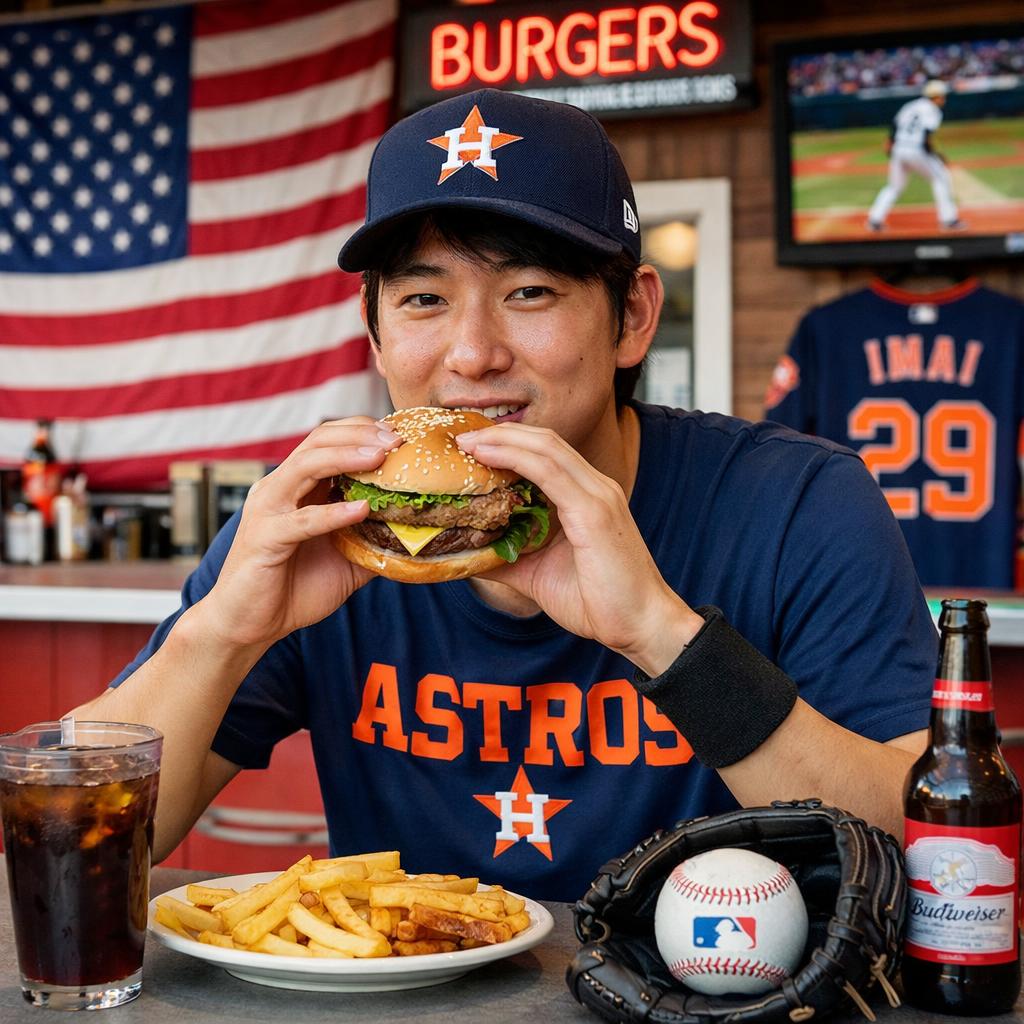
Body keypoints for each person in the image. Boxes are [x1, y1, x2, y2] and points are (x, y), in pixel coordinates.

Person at [71, 89, 936, 903]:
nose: (473, 354)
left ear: (632, 317)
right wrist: (220, 635)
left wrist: (664, 638)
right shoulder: (316, 517)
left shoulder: (796, 503)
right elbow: (79, 849)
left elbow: (934, 855)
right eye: (422, 299)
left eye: (529, 292)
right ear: (374, 336)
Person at [867, 80, 964, 231]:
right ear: (935, 97)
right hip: (915, 149)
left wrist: (890, 142)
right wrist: (937, 155)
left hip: (899, 149)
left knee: (894, 187)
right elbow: (925, 138)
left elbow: (895, 125)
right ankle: (949, 220)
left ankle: (874, 220)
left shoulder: (911, 105)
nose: (944, 99)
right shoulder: (933, 110)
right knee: (941, 179)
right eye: (942, 96)